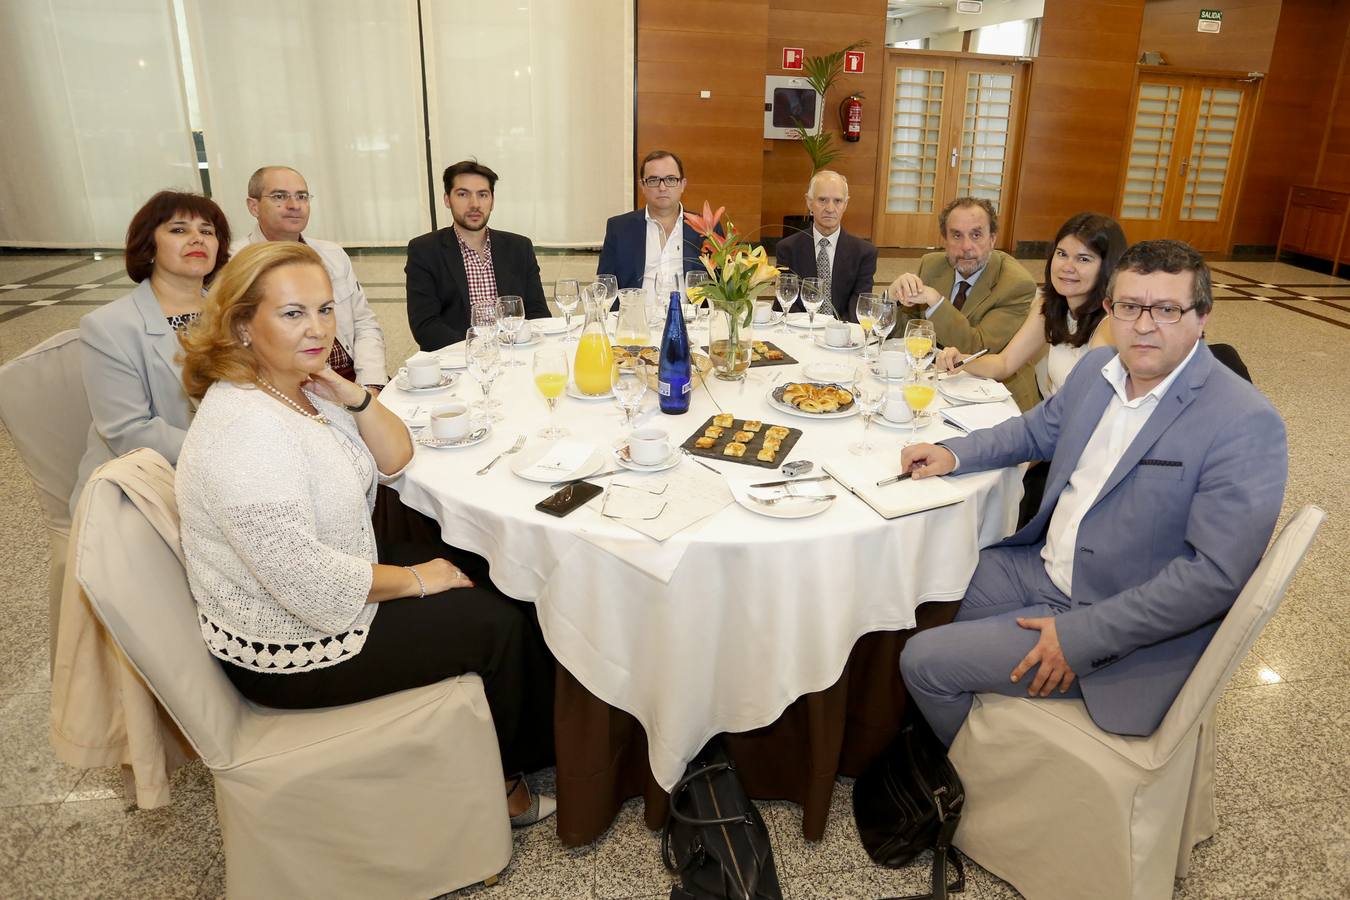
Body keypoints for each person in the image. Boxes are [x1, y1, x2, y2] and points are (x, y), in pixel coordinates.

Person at [176, 242, 556, 825]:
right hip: (295, 645)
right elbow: (307, 584)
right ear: (243, 325)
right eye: (293, 313)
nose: (317, 328)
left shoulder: (294, 385)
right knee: (496, 624)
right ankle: (506, 787)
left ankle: (535, 738)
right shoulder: (245, 428)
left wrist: (352, 394)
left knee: (495, 572)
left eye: (325, 309)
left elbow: (397, 457)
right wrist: (415, 580)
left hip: (337, 569)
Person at [897, 239, 1288, 747]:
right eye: (1129, 307)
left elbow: (1213, 577)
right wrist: (952, 453)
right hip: (1039, 565)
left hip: (1115, 616)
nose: (1144, 325)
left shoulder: (1243, 420)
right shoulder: (1098, 370)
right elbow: (1033, 432)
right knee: (923, 591)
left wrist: (1082, 637)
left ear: (1203, 317)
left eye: (1167, 309)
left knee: (923, 661)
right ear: (1109, 308)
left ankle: (971, 776)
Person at [72, 190, 231, 512]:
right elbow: (128, 431)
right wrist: (228, 450)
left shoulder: (233, 313)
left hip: (232, 472)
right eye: (179, 229)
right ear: (149, 246)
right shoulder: (108, 326)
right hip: (147, 488)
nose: (197, 238)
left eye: (207, 231)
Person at [935, 212, 1127, 401]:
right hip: (1053, 413)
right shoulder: (1049, 306)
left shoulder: (1109, 325)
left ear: (1107, 266)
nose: (1067, 267)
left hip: (1071, 419)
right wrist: (962, 360)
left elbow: (1090, 405)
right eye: (1062, 254)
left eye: (1083, 259)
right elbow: (1005, 363)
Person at [233, 165, 387, 392]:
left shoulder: (333, 254)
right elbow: (237, 347)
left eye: (301, 196)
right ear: (253, 206)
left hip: (352, 379)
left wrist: (370, 384)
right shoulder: (234, 263)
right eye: (279, 196)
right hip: (289, 390)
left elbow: (364, 324)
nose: (294, 205)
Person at [888, 197, 1039, 409]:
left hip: (993, 396)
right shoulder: (931, 265)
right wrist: (892, 298)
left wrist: (936, 302)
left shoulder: (1015, 284)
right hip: (940, 384)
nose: (966, 246)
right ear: (944, 240)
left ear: (992, 239)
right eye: (956, 235)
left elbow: (977, 349)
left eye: (976, 235)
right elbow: (906, 332)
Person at [405, 160, 550, 350]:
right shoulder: (425, 250)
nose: (474, 204)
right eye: (463, 194)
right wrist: (477, 350)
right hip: (457, 357)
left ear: (492, 201)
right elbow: (425, 326)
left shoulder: (519, 247)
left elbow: (538, 313)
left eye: (483, 195)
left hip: (515, 352)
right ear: (447, 200)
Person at [596, 150, 712, 302]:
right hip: (636, 315)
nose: (662, 187)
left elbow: (722, 287)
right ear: (643, 186)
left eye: (670, 179)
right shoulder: (618, 228)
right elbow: (604, 287)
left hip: (691, 315)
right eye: (653, 180)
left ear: (682, 185)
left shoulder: (706, 228)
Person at [773, 169, 878, 322]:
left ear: (846, 204)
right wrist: (811, 328)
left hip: (844, 331)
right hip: (800, 330)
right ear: (809, 202)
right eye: (822, 200)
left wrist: (835, 329)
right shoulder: (788, 249)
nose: (830, 208)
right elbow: (785, 300)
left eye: (838, 201)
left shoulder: (864, 253)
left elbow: (860, 304)